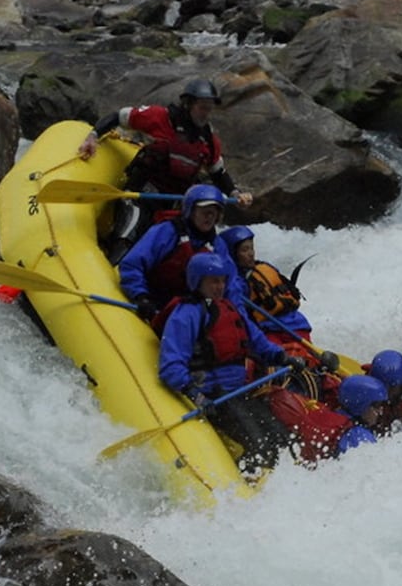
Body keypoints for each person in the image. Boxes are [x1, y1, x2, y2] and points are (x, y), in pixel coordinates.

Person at [158, 252, 294, 474]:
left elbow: (258, 342)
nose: (219, 287)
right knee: (258, 443)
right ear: (198, 281)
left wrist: (282, 357)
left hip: (240, 391)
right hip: (214, 396)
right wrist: (195, 395)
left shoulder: (228, 308)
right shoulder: (186, 315)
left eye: (222, 281)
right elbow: (171, 365)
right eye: (213, 281)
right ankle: (251, 480)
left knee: (281, 437)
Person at [76, 77, 253, 218]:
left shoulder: (208, 139)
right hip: (141, 193)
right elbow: (118, 117)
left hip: (172, 200)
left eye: (209, 109)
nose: (206, 114)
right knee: (129, 233)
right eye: (202, 108)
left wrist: (235, 194)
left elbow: (218, 173)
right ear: (188, 104)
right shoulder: (160, 117)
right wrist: (93, 137)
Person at [219, 224, 337, 401]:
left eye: (251, 248)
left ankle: (315, 389)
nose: (251, 253)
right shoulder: (236, 283)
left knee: (298, 363)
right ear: (232, 253)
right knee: (285, 363)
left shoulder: (261, 270)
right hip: (272, 332)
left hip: (291, 328)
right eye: (244, 250)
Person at [118, 184, 239, 327]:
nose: (209, 217)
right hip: (154, 298)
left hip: (189, 310)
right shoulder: (167, 231)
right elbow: (132, 265)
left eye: (213, 213)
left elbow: (231, 285)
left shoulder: (218, 246)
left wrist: (233, 314)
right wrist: (141, 296)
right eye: (204, 211)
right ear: (191, 211)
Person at [278, 375, 389, 464]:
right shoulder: (358, 437)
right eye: (376, 405)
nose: (380, 411)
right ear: (361, 405)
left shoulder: (326, 415)